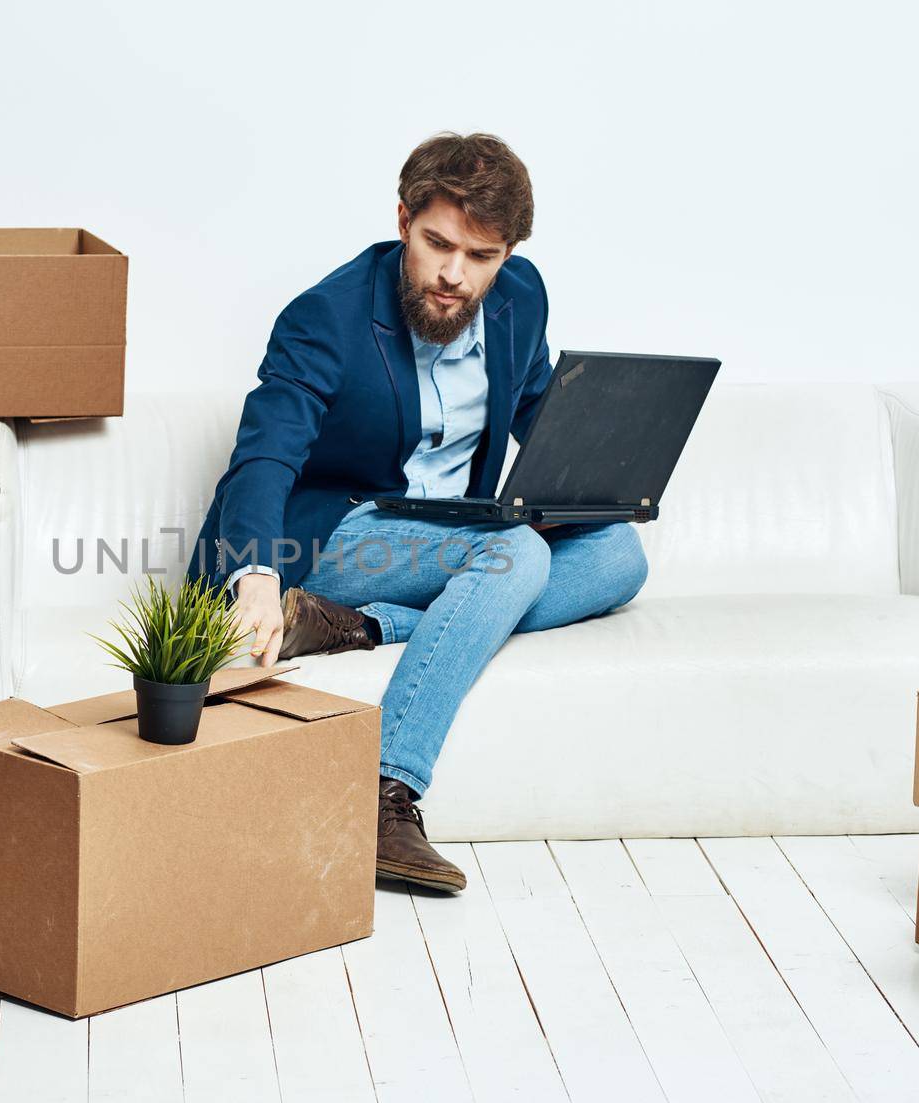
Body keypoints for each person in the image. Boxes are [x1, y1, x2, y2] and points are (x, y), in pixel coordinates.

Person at [190, 132, 648, 892]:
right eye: (438, 244)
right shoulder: (325, 316)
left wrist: (592, 476)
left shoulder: (519, 298)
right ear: (403, 220)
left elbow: (534, 408)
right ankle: (383, 790)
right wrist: (255, 575)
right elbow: (266, 453)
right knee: (518, 557)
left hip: (454, 530)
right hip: (334, 532)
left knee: (620, 555)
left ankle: (362, 623)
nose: (454, 274)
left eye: (481, 256)